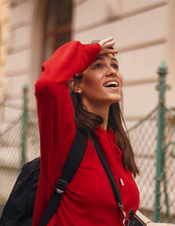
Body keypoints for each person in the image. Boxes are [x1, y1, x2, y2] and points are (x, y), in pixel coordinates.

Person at [32, 37, 140, 225]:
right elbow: (48, 83)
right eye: (98, 66)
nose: (111, 71)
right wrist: (89, 50)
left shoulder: (117, 142)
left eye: (114, 65)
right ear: (76, 85)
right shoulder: (66, 135)